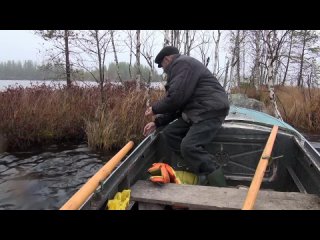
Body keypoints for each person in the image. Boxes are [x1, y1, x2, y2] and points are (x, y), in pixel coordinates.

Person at [143, 46, 230, 187]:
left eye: (162, 66)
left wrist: (154, 108)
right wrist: (158, 123)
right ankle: (196, 169)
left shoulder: (182, 64)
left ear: (167, 59)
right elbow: (179, 104)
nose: (163, 70)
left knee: (188, 146)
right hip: (196, 111)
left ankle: (220, 186)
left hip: (209, 110)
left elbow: (175, 98)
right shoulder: (182, 67)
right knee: (170, 133)